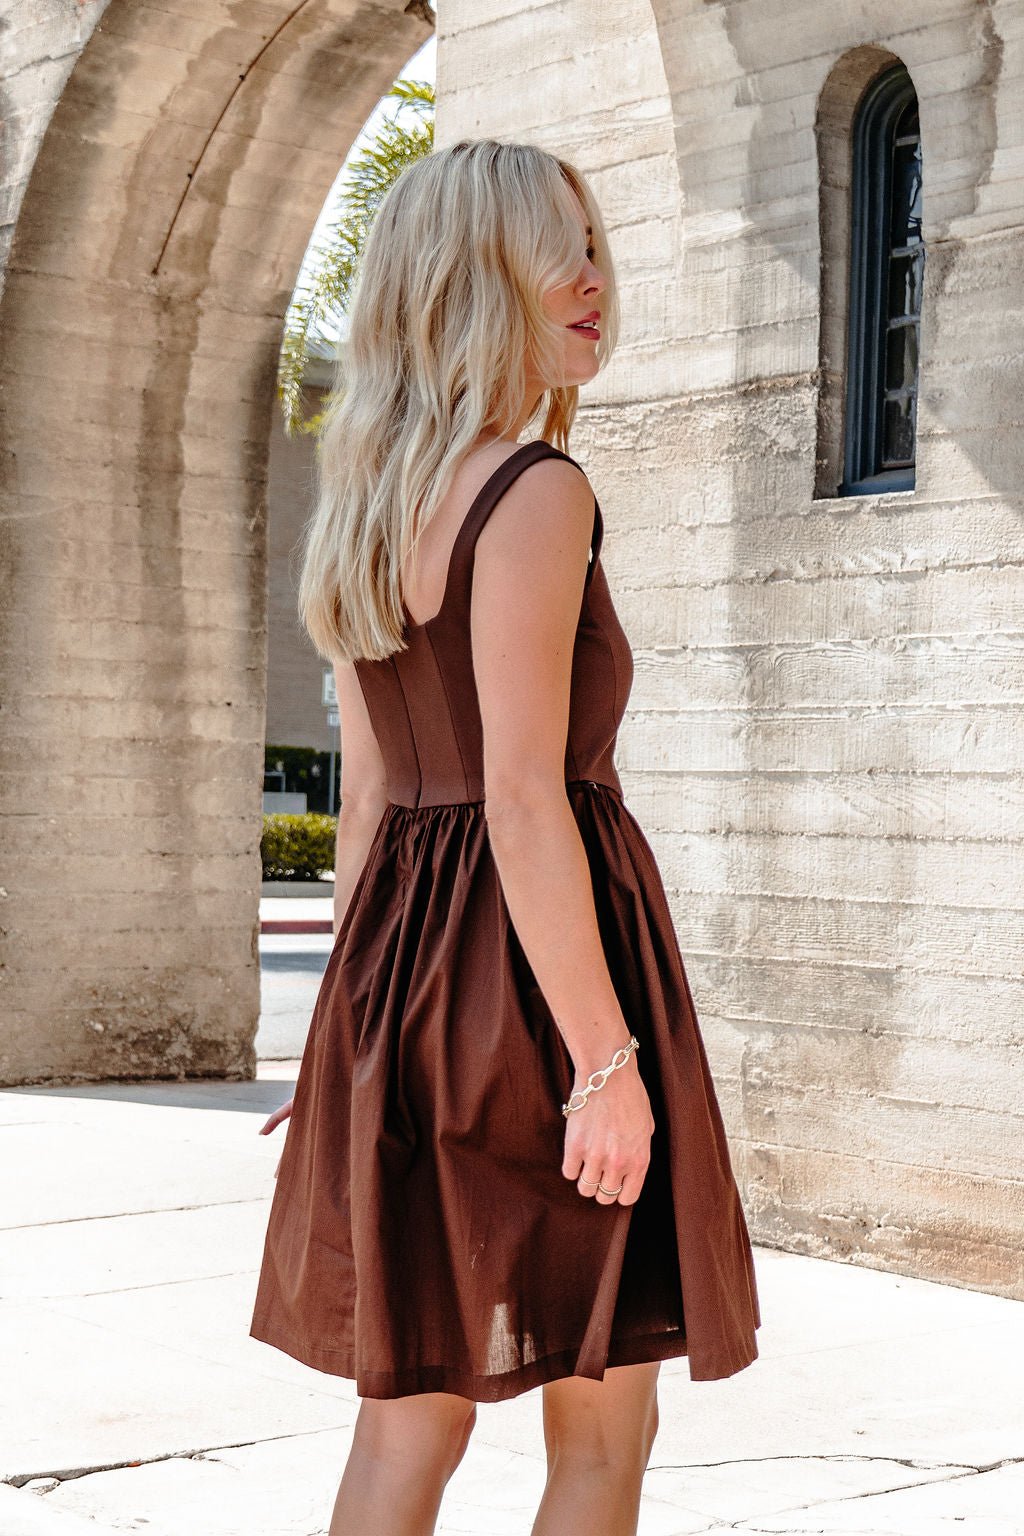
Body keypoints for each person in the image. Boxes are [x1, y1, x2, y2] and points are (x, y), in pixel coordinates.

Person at [249, 138, 759, 1536]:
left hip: (411, 989)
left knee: (407, 1427)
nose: (594, 280)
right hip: (538, 991)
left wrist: (346, 1042)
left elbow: (373, 802)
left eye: (593, 246)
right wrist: (606, 1064)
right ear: (473, 281)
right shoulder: (534, 491)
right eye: (557, 252)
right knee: (603, 1424)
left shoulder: (370, 506)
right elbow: (524, 799)